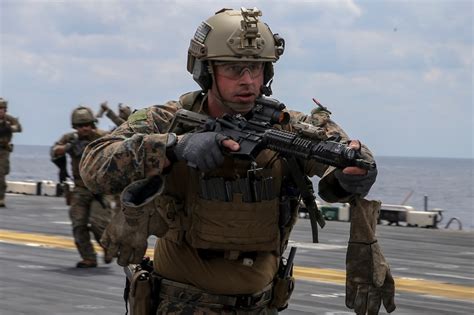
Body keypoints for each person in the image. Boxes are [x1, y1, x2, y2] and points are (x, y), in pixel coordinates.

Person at [80, 7, 395, 314]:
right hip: (178, 304)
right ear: (206, 70)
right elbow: (93, 166)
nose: (247, 80)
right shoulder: (168, 120)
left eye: (256, 68)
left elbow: (336, 173)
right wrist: (174, 147)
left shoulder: (289, 127)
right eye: (233, 69)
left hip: (262, 305)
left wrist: (353, 173)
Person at [51, 106, 113, 268]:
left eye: (87, 124)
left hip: (101, 189)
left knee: (98, 223)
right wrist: (66, 148)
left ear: (92, 124)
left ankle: (108, 247)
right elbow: (54, 151)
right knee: (78, 224)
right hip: (80, 188)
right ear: (75, 127)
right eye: (80, 126)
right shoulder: (71, 139)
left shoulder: (103, 137)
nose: (84, 128)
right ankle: (88, 257)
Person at [0, 97, 22, 208]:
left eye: (2, 109)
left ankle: (1, 198)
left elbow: (19, 127)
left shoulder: (9, 120)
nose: (0, 111)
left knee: (1, 173)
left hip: (3, 150)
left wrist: (9, 128)